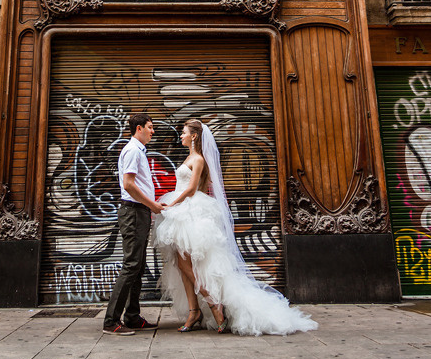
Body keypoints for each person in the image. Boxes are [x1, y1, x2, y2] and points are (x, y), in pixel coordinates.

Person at [154, 119, 318, 336]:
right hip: (182, 212)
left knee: (187, 267)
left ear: (194, 136)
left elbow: (192, 188)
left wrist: (171, 204)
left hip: (188, 212)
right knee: (181, 265)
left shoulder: (198, 159)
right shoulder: (189, 157)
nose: (181, 136)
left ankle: (214, 304)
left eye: (184, 132)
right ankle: (194, 312)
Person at [102, 112, 163, 336]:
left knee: (137, 266)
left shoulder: (138, 151)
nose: (152, 131)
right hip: (134, 212)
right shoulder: (132, 151)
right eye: (150, 126)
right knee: (131, 265)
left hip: (140, 212)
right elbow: (128, 185)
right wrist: (152, 205)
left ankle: (132, 317)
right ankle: (111, 321)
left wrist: (149, 207)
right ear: (139, 128)